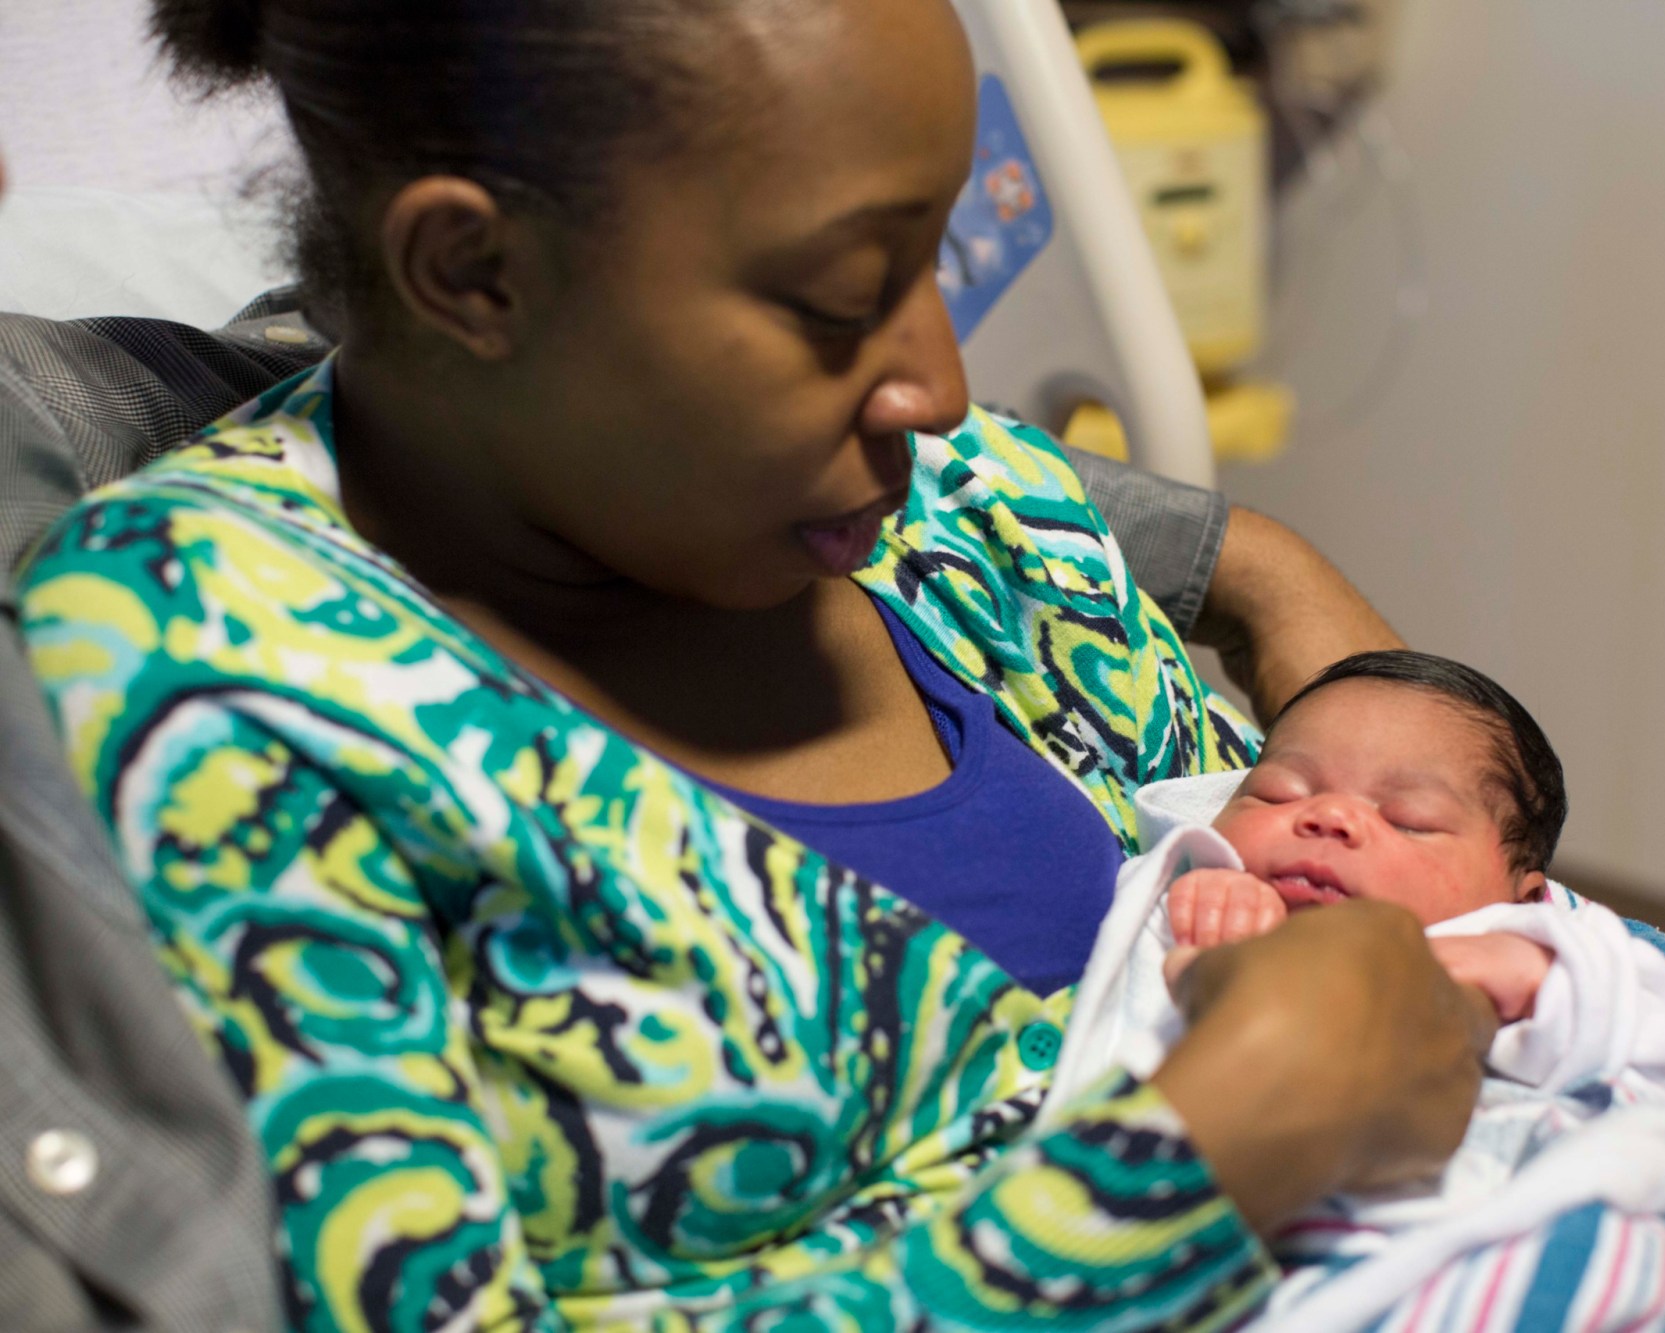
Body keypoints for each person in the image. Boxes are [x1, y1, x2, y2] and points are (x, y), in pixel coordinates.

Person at [8, 1, 1502, 1327]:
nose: (941, 384)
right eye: (842, 300)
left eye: (937, 261)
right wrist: (1223, 1145)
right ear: (474, 270)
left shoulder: (973, 514)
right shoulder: (220, 657)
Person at [1049, 651, 1665, 1330]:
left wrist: (1536, 974)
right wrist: (1213, 931)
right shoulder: (1195, 901)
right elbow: (1154, 1043)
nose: (1326, 816)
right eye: (1279, 793)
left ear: (1520, 895)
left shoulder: (1536, 951)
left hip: (1530, 1236)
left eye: (1410, 818)